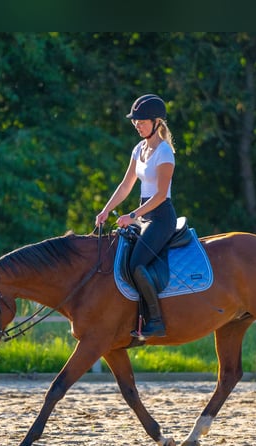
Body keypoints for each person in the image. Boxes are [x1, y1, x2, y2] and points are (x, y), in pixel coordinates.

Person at [95, 93, 178, 340]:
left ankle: (155, 320)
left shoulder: (164, 153)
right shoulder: (139, 149)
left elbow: (161, 195)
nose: (136, 124)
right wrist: (106, 209)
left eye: (141, 121)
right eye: (135, 121)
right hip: (144, 216)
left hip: (161, 218)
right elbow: (125, 185)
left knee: (136, 264)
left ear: (156, 122)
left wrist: (132, 215)